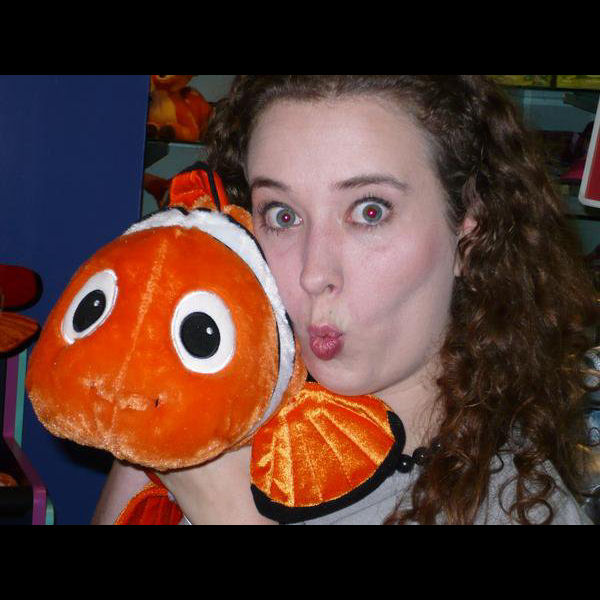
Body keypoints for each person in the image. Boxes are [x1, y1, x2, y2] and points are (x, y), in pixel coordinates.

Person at [92, 75, 598, 525]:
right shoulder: (216, 404)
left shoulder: (518, 507)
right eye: (283, 215)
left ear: (471, 231)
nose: (314, 273)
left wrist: (231, 515)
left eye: (369, 211)